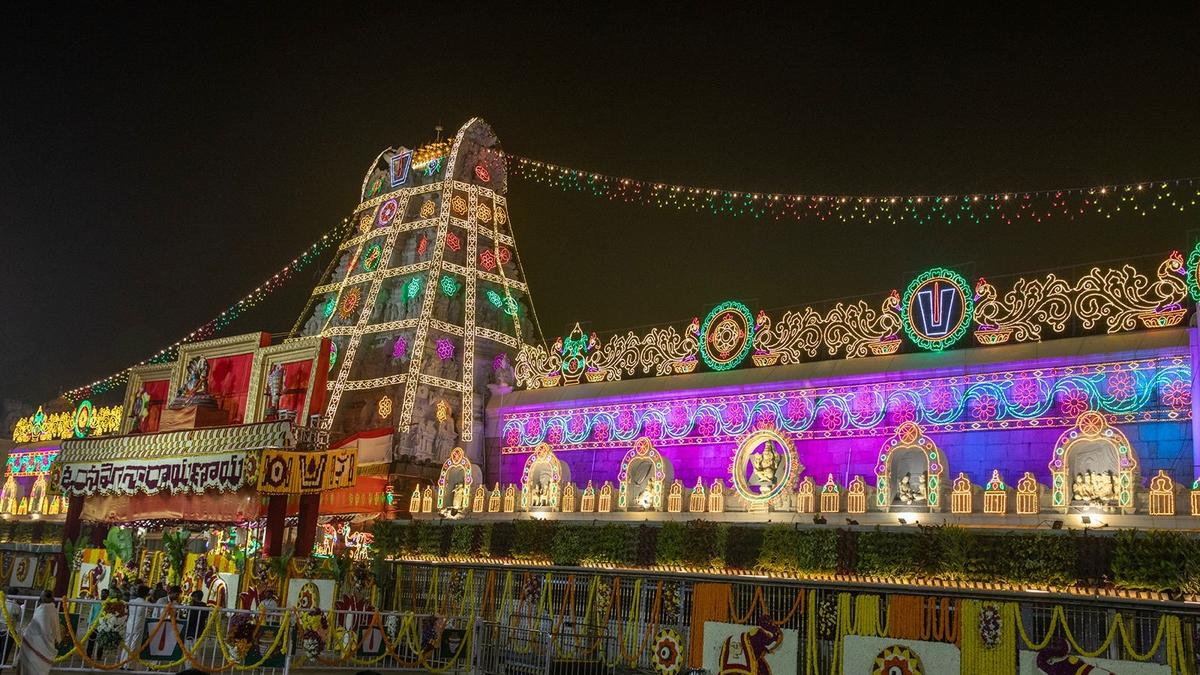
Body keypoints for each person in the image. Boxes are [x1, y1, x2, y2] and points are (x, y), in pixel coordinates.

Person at [13, 591, 60, 675]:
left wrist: (26, 634)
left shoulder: (42, 609)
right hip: (44, 643)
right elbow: (56, 628)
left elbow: (34, 626)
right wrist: (57, 639)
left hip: (35, 641)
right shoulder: (53, 610)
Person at [124, 585, 151, 665]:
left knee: (127, 643)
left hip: (130, 623)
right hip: (138, 625)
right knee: (134, 644)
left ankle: (123, 661)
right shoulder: (146, 603)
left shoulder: (131, 601)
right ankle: (128, 664)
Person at [0, 587, 22, 668]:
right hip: (9, 633)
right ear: (16, 595)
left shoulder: (1, 602)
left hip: (2, 629)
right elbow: (19, 619)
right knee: (4, 653)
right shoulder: (17, 607)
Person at [86, 589, 110, 660]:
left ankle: (99, 656)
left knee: (101, 642)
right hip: (94, 625)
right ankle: (88, 656)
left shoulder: (108, 604)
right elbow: (92, 612)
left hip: (103, 625)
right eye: (102, 593)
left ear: (108, 595)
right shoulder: (96, 602)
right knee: (91, 641)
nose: (103, 595)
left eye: (105, 593)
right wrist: (89, 622)